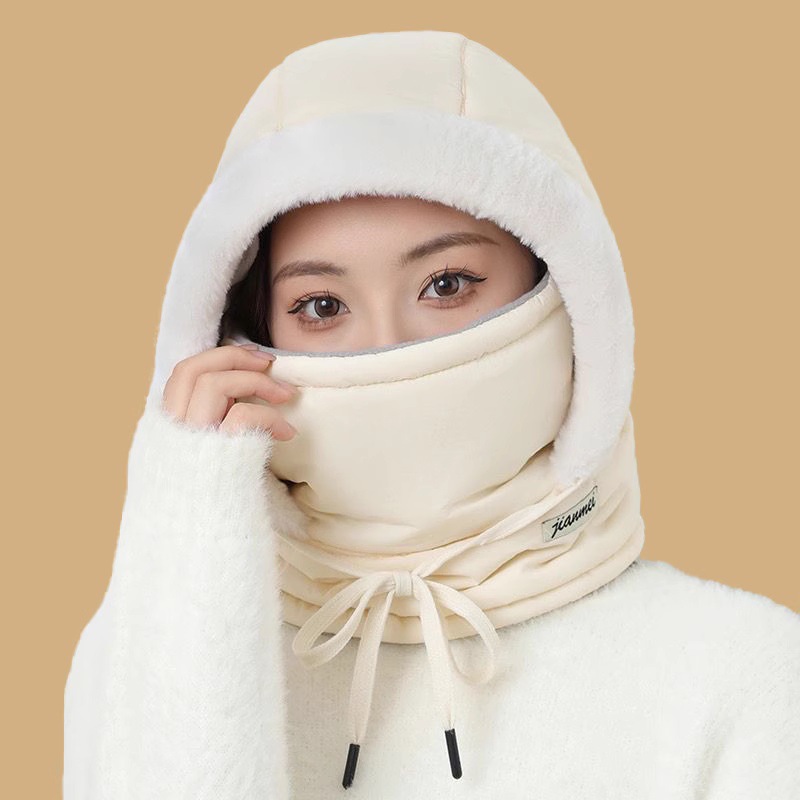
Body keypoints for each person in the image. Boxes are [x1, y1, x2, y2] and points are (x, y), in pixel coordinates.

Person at [63, 30, 800, 799]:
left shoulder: (739, 675)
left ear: (569, 297)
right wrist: (190, 538)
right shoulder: (138, 658)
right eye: (322, 306)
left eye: (446, 285)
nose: (387, 348)